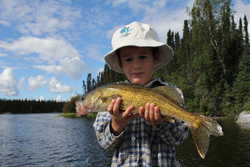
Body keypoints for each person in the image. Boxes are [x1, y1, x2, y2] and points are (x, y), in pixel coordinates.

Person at [77, 21, 189, 167]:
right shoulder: (112, 97)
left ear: (154, 59)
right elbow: (104, 144)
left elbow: (179, 138)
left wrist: (161, 123)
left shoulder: (170, 92)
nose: (136, 65)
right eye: (128, 59)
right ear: (121, 64)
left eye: (142, 57)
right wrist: (117, 123)